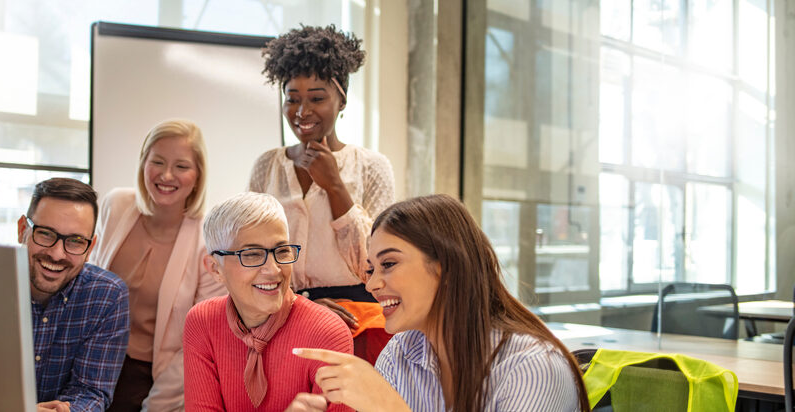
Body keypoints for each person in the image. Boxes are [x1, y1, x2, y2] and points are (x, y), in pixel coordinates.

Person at [292, 195, 590, 412]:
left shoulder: (532, 367)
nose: (371, 284)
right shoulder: (398, 355)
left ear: (446, 267)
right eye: (371, 269)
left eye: (389, 264)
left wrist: (388, 407)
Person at [252, 24, 395, 360]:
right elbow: (250, 251)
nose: (302, 112)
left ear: (341, 99)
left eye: (317, 98)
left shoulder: (371, 167)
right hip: (281, 316)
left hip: (356, 323)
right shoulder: (268, 165)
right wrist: (304, 304)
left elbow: (375, 263)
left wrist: (334, 185)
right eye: (293, 99)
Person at [90, 119, 226, 411]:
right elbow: (88, 286)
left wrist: (158, 404)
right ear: (143, 163)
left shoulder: (209, 240)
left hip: (151, 376)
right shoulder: (115, 205)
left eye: (181, 166)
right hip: (93, 359)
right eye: (158, 162)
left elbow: (199, 339)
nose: (166, 175)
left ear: (198, 174)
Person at [183, 192, 354, 411]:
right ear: (216, 269)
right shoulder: (202, 322)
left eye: (281, 251)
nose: (273, 270)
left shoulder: (327, 331)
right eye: (252, 254)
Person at [16, 177, 130, 412]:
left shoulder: (107, 296)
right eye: (46, 234)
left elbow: (91, 390)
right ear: (22, 230)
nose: (57, 254)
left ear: (90, 248)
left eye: (76, 241)